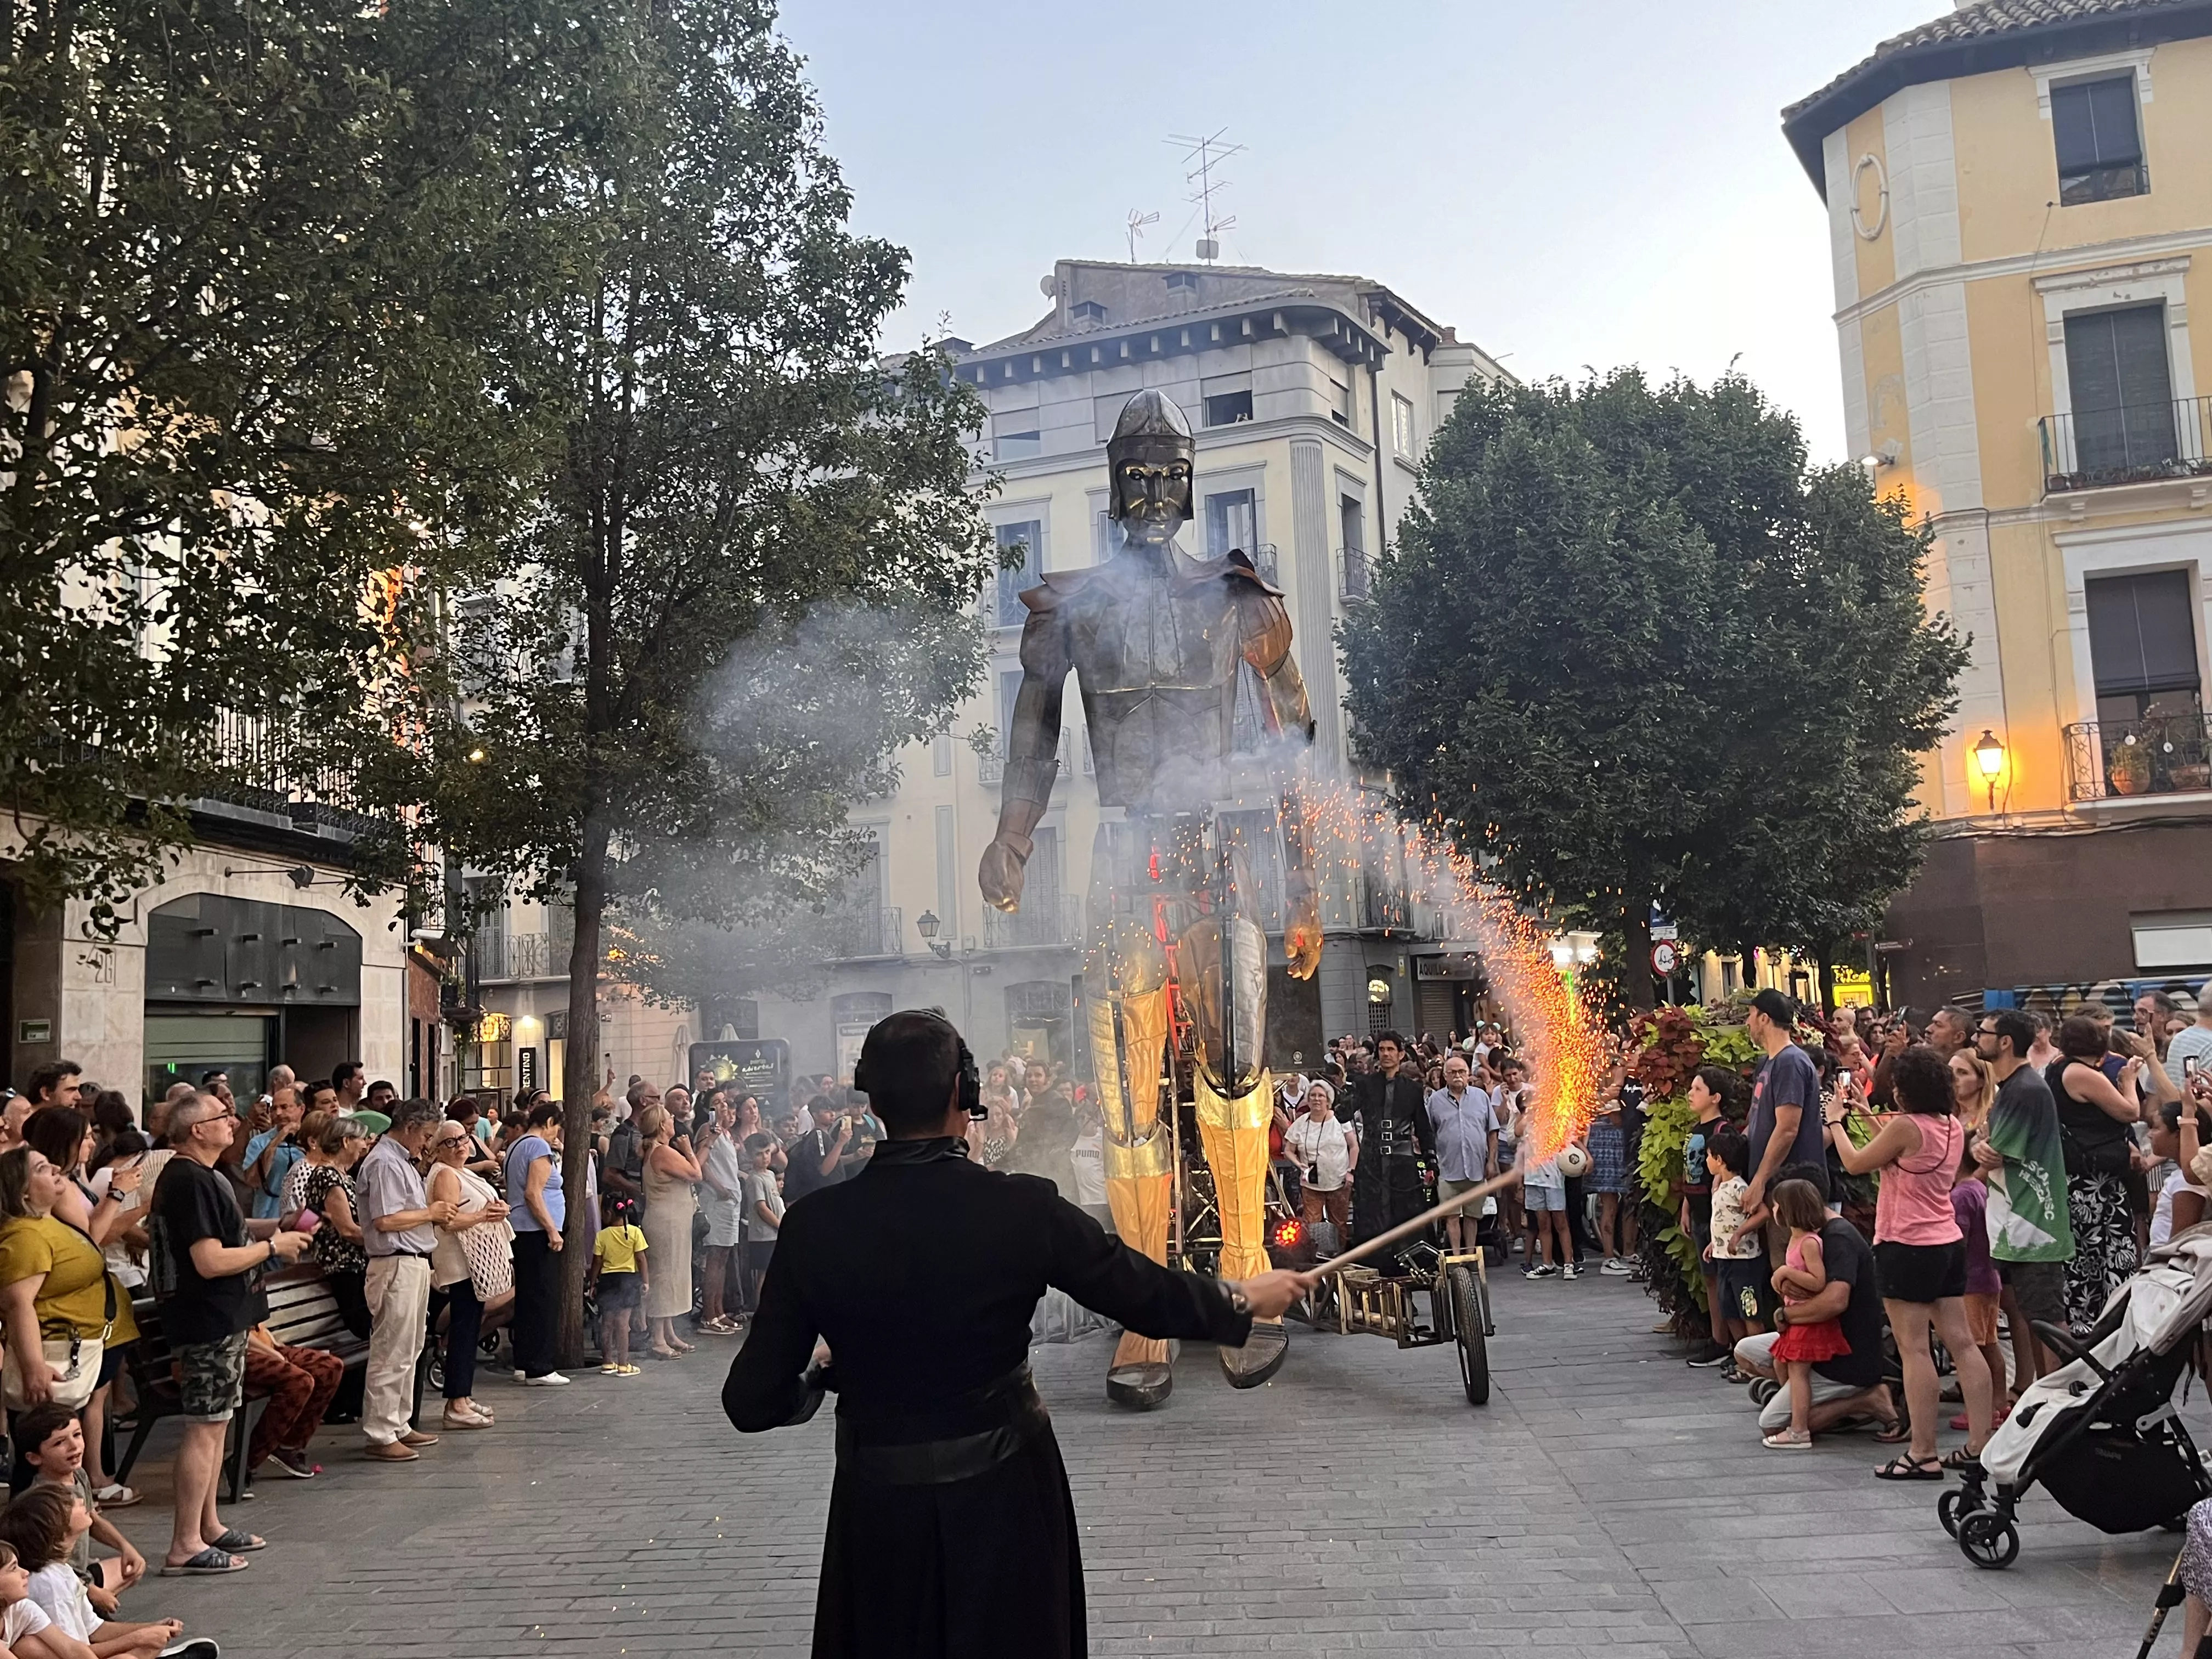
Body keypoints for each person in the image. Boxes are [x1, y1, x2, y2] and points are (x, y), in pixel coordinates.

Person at [723, 1011, 1312, 1659]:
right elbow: (1140, 1292)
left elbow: (751, 1400)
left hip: (879, 1506)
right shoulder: (1022, 1207)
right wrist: (1239, 1298)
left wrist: (821, 1378)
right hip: (1004, 1494)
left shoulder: (815, 1226)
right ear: (963, 1093)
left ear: (874, 1098)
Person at [146, 1091, 312, 1574]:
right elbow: (210, 1259)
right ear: (197, 1129)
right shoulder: (188, 1179)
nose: (233, 1122)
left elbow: (234, 1228)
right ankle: (184, 1544)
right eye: (222, 1117)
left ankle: (208, 1525)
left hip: (224, 1316)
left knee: (217, 1424)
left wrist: (275, 1227)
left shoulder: (205, 1176)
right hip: (206, 1318)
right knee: (204, 1427)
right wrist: (271, 1248)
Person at [1824, 1046, 1994, 1477]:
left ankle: (1923, 1451)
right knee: (1962, 1343)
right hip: (1946, 1241)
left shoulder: (1904, 1126)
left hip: (1906, 1244)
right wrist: (1864, 1113)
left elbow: (1857, 1162)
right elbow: (1905, 1147)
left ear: (1905, 1090)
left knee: (1914, 1348)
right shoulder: (1953, 1126)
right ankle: (1980, 1444)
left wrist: (1836, 1123)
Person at [1970, 1008, 2073, 1390]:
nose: (1975, 1038)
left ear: (2005, 1042)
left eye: (1982, 1032)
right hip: (2015, 1220)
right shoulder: (2012, 1087)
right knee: (2031, 1315)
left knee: (2046, 1317)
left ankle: (2063, 1396)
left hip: (2035, 1225)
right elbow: (1987, 1148)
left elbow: (1994, 1151)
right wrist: (1982, 1144)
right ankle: (2043, 1394)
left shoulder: (2024, 1089)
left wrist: (1982, 1144)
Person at [354, 1099, 456, 1462]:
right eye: (426, 1135)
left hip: (410, 1261)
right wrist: (430, 1212)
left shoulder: (400, 1161)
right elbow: (385, 1219)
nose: (427, 1144)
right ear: (410, 1126)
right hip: (394, 1262)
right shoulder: (384, 1162)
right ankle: (381, 1431)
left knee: (409, 1349)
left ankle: (399, 1422)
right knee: (391, 1351)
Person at [0, 1484, 187, 1657]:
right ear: (54, 1530)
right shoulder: (49, 1582)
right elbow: (76, 1650)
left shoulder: (58, 1574)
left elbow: (92, 1632)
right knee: (30, 1647)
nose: (81, 1501)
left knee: (148, 1643)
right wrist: (137, 1638)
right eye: (70, 1505)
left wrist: (152, 1628)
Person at [2045, 1012, 2142, 1334]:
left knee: (2090, 1255)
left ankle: (2095, 1324)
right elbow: (2129, 1111)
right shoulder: (2081, 1073)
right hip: (2094, 1185)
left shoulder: (2058, 1068)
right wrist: (2128, 1081)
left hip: (2084, 1180)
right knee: (2102, 1256)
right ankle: (2100, 1326)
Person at [9, 1403, 145, 1615]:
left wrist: (125, 1546)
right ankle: (85, 1612)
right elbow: (47, 1565)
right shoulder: (43, 1501)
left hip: (81, 1574)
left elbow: (93, 1519)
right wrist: (90, 1591)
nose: (74, 1446)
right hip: (59, 1581)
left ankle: (86, 1610)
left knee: (132, 1567)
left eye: (77, 1435)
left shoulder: (79, 1475)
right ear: (35, 1458)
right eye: (60, 1443)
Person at [426, 1121, 512, 1432]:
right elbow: (447, 1220)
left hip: (476, 1260)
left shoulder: (463, 1171)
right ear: (437, 1149)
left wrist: (497, 1210)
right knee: (464, 1329)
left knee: (470, 1325)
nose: (460, 1145)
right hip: (461, 1263)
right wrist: (482, 1215)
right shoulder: (445, 1174)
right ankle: (456, 1403)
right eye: (450, 1142)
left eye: (463, 1138)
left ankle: (462, 1396)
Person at [1758, 1178, 1856, 1450]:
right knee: (1781, 1364)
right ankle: (1794, 1412)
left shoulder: (1810, 1243)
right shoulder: (1795, 1238)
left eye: (1777, 1205)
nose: (1774, 1210)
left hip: (1807, 1320)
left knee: (1798, 1373)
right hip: (1794, 1313)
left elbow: (1818, 1282)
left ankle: (1800, 1429)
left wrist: (1787, 1273)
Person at [1348, 1032, 1432, 1274]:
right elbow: (1344, 1113)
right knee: (1373, 1219)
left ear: (1401, 1054)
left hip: (1402, 1166)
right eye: (1382, 1050)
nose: (1386, 1054)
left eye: (1391, 1050)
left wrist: (1430, 1160)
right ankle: (1376, 1277)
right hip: (1372, 1167)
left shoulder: (1413, 1090)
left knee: (1404, 1220)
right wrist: (1347, 1092)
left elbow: (1424, 1129)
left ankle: (1406, 1278)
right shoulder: (1366, 1085)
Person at [504, 1101, 569, 1387]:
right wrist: (552, 1230)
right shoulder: (539, 1147)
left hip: (523, 1230)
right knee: (543, 1298)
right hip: (536, 1231)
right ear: (550, 1122)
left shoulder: (517, 1145)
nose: (558, 1135)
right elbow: (534, 1193)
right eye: (557, 1128)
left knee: (528, 1298)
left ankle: (524, 1361)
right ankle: (540, 1366)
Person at [1744, 989, 1825, 1212]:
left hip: (1791, 1193)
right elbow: (1759, 1121)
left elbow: (1788, 1128)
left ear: (1764, 1018)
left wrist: (1760, 1180)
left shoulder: (1790, 1062)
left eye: (1750, 1014)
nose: (1747, 1022)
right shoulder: (1768, 1062)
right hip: (1776, 1188)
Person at [1679, 1066, 1736, 1367]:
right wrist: (1686, 1208)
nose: (1691, 1093)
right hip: (1699, 1214)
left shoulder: (1722, 1131)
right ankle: (1719, 1339)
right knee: (1711, 1280)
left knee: (1725, 1280)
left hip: (1719, 1219)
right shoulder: (1695, 1131)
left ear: (1716, 1097)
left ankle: (1731, 1343)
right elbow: (1690, 1172)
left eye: (1698, 1089)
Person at [297, 1116, 373, 1338]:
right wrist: (385, 1241)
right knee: (368, 1328)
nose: (366, 1143)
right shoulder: (327, 1175)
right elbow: (348, 1230)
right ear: (346, 1141)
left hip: (358, 1265)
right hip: (345, 1267)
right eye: (361, 1139)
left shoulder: (343, 1176)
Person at [637, 1103, 701, 1360]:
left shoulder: (657, 1150)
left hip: (673, 1221)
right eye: (670, 1117)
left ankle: (670, 1332)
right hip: (666, 1223)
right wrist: (689, 1150)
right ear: (663, 1125)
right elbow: (696, 1174)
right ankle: (658, 1339)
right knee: (664, 1277)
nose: (674, 1120)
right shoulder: (662, 1151)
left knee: (674, 1275)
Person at [1703, 1127, 1767, 1360]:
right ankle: (1742, 1357)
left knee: (1749, 1310)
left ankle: (1758, 1359)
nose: (1707, 1161)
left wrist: (1740, 1234)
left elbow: (1762, 1213)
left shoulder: (1740, 1187)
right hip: (1724, 1259)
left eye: (1709, 1156)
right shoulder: (1721, 1187)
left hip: (1744, 1262)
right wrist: (1714, 1244)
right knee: (1729, 1308)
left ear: (1720, 1160)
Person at [1423, 1054, 1495, 1256]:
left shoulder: (1481, 1097)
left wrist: (1492, 1161)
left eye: (1462, 1072)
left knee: (1472, 1216)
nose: (1458, 1076)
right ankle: (1456, 1257)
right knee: (1452, 1216)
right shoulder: (1435, 1101)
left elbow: (1492, 1131)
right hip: (1448, 1168)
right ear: (1445, 1076)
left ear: (1469, 1074)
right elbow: (1428, 1133)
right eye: (1453, 1072)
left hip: (1476, 1167)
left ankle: (1471, 1255)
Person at [695, 1096, 746, 1334]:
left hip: (730, 1203)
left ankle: (720, 1310)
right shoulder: (709, 1129)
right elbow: (701, 1164)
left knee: (724, 1258)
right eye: (719, 1105)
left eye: (729, 1105)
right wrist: (719, 1188)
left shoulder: (728, 1134)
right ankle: (709, 1315)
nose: (726, 1109)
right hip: (716, 1200)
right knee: (714, 1258)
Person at [1284, 1081, 1355, 1248]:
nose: (1317, 1099)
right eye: (1313, 1096)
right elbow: (1288, 1150)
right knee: (1311, 1225)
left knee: (1340, 1224)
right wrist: (1299, 1164)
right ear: (1308, 1100)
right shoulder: (1301, 1123)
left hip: (1339, 1182)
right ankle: (1315, 1260)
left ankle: (1341, 1258)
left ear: (1328, 1100)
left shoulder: (1340, 1120)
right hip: (1311, 1184)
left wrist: (1351, 1171)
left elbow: (1354, 1146)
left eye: (1321, 1096)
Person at [591, 1200, 649, 1375]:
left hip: (608, 1280)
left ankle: (607, 1362)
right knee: (623, 1323)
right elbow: (641, 1259)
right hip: (628, 1280)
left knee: (607, 1322)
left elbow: (597, 1262)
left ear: (609, 1212)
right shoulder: (635, 1232)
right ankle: (624, 1364)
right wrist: (646, 1281)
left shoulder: (602, 1235)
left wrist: (593, 1283)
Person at [1584, 1093, 1632, 1274]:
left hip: (1621, 1142)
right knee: (1609, 1205)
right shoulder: (1595, 1083)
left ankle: (1628, 1253)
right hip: (1603, 1142)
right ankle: (1608, 1258)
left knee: (1630, 1199)